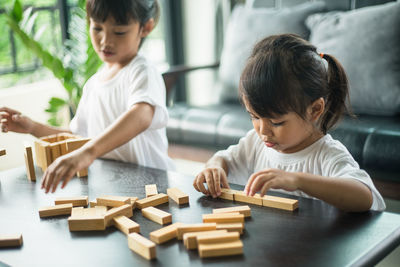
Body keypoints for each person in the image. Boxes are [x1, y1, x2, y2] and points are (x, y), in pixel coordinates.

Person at [193, 34, 385, 212]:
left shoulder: (326, 155)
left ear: (315, 110)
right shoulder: (255, 143)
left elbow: (365, 196)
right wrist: (214, 168)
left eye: (276, 123)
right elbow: (224, 159)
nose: (263, 131)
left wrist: (297, 180)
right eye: (255, 117)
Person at [0, 0, 175, 193]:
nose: (105, 40)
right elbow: (78, 138)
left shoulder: (142, 71)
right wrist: (33, 127)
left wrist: (88, 153)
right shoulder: (93, 84)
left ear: (146, 28)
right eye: (97, 28)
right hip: (114, 188)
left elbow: (141, 115)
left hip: (153, 187)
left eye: (119, 32)